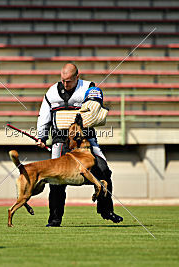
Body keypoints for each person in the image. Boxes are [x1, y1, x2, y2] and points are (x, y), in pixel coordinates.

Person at [36, 63, 123, 227]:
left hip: (86, 140)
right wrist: (41, 136)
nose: (65, 84)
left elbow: (95, 110)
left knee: (104, 171)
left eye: (68, 81)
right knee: (56, 180)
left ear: (77, 77)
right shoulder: (51, 91)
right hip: (60, 140)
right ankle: (54, 219)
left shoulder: (90, 88)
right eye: (63, 80)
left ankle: (106, 210)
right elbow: (43, 116)